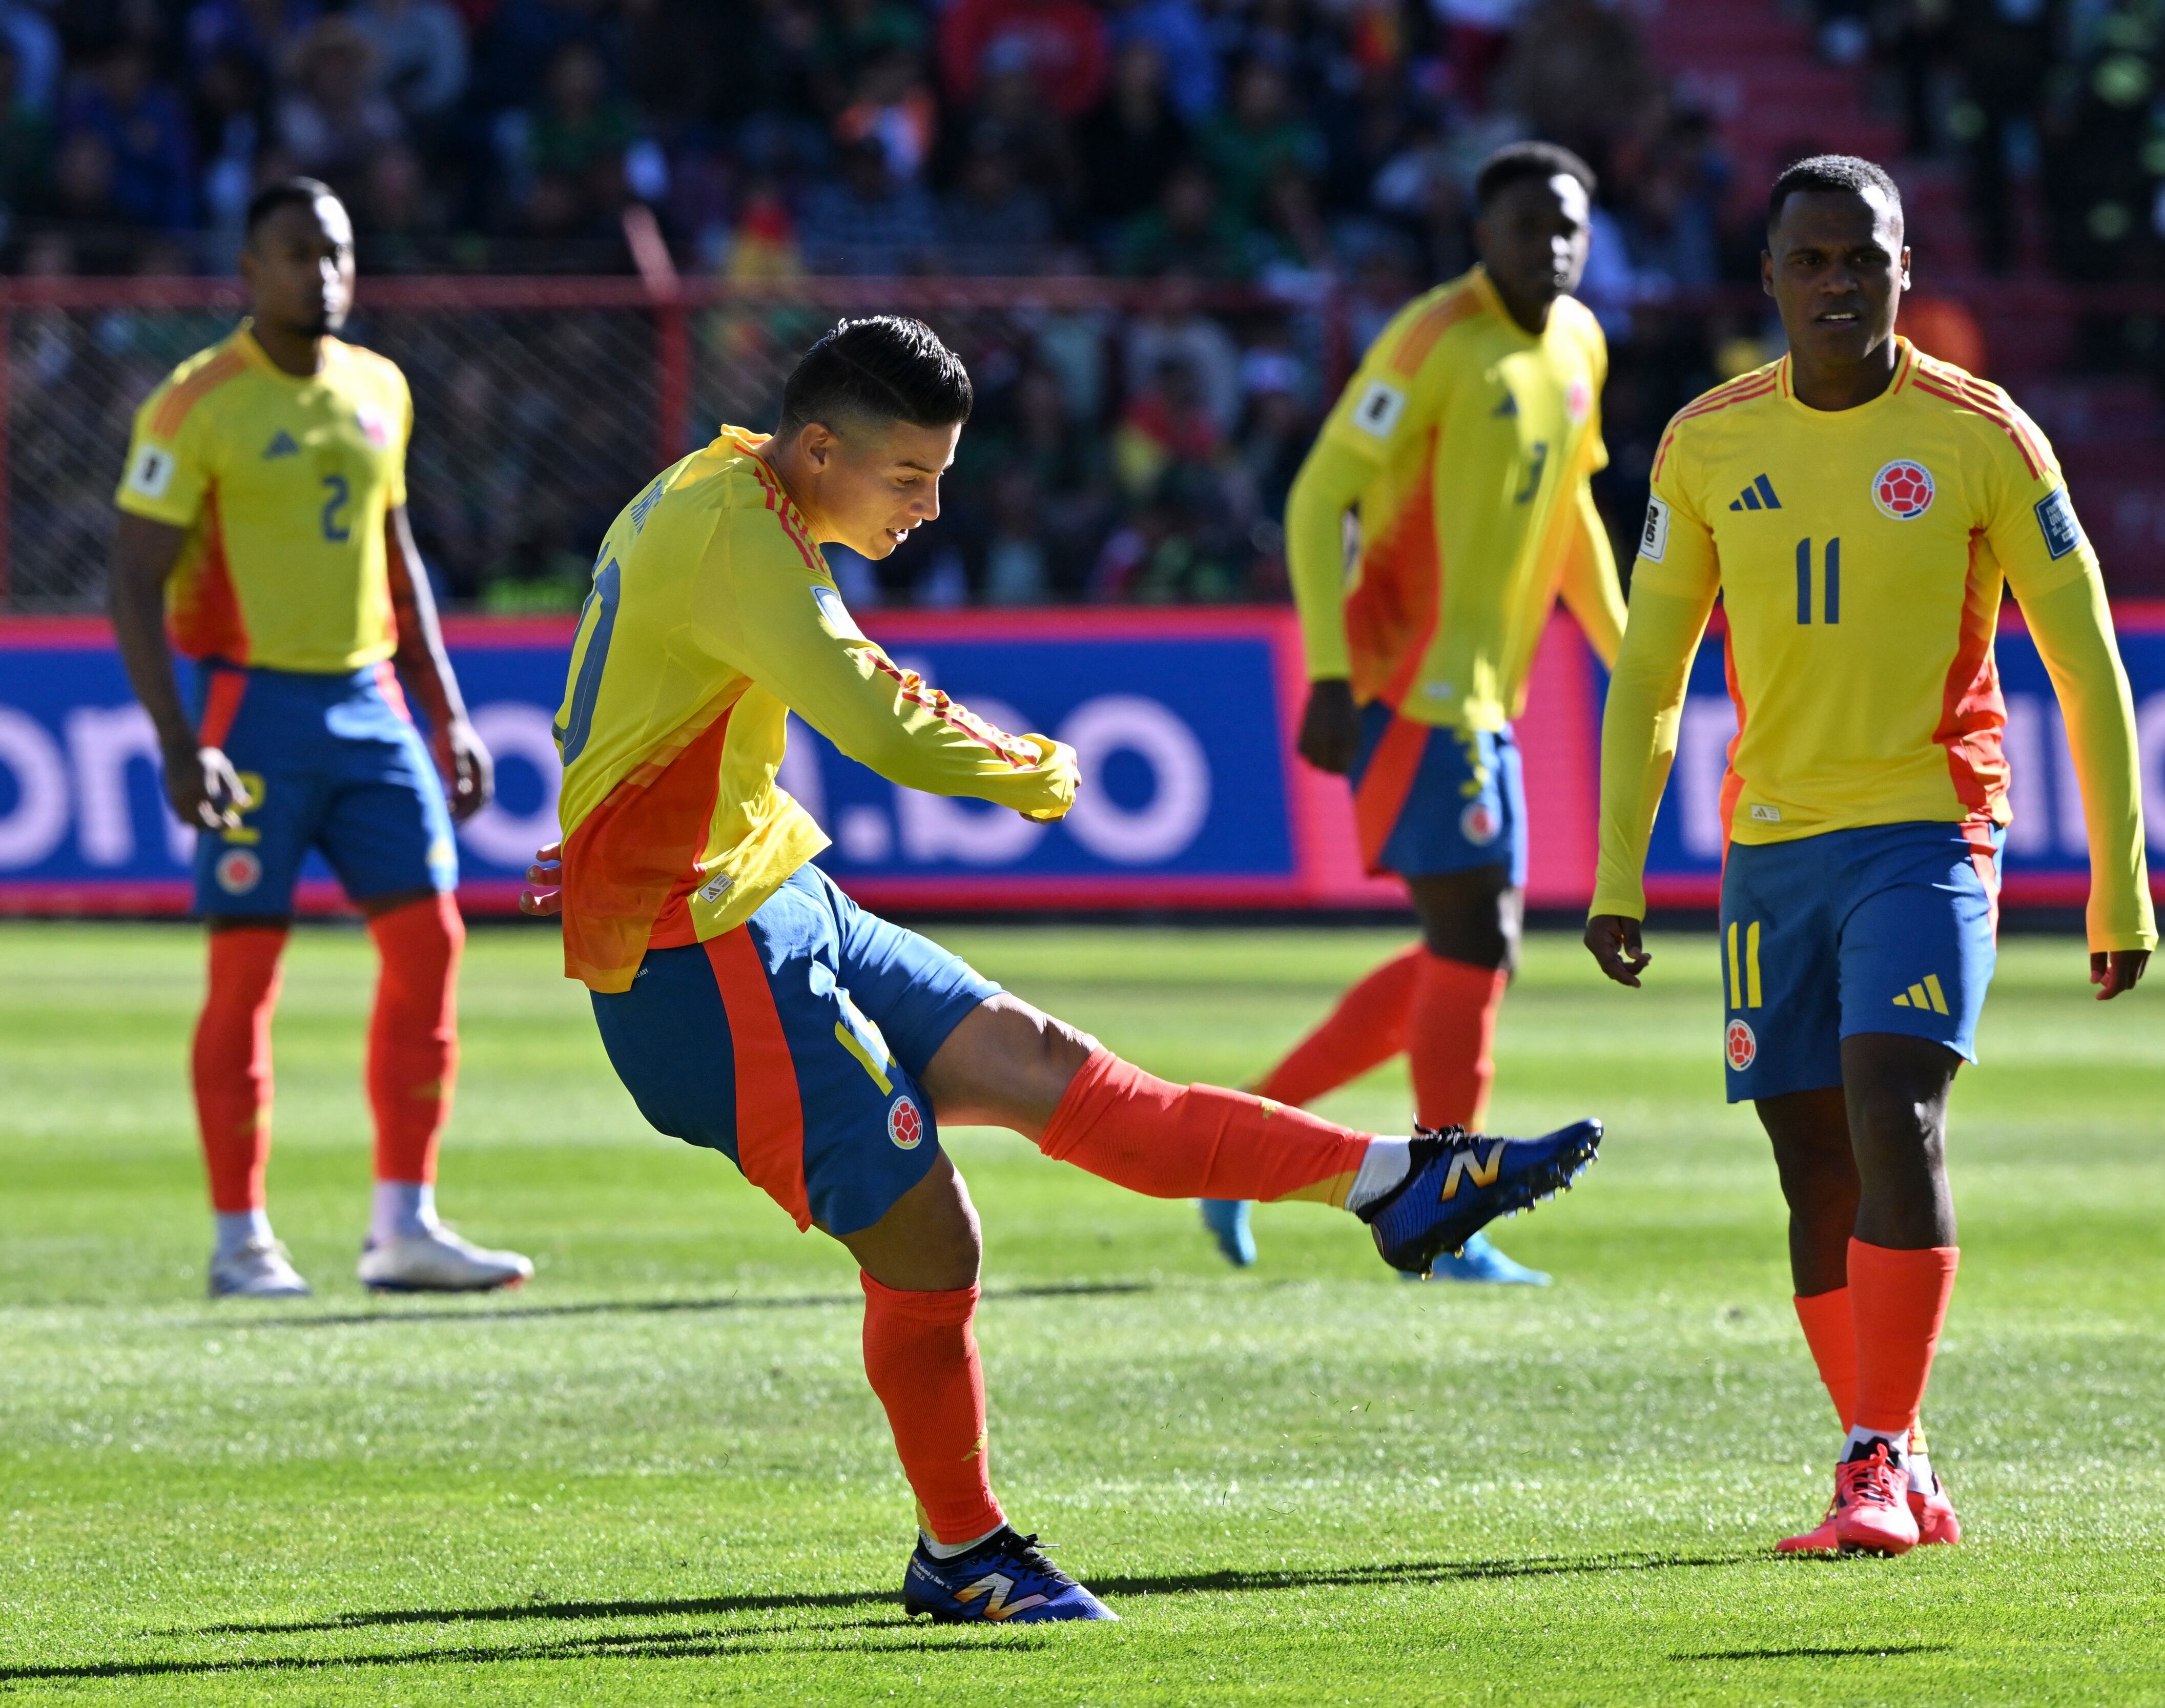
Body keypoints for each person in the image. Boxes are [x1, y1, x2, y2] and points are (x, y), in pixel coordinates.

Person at [516, 314, 1603, 1623]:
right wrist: (1030, 766)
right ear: (818, 449)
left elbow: (622, 685)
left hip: (776, 896)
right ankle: (964, 1551)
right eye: (910, 475)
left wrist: (594, 828)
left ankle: (1399, 1180)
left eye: (941, 474)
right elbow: (870, 715)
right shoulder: (741, 532)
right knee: (932, 1236)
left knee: (1053, 1067)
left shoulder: (724, 486)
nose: (932, 505)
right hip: (707, 961)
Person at [1584, 155, 2156, 1555]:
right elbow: (1651, 666)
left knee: (1893, 1102)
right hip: (1772, 843)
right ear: (1771, 276)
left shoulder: (1983, 434)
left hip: (1930, 821)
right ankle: (1893, 1452)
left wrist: (2119, 875)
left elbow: (2085, 661)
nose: (1843, 282)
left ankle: (1873, 1454)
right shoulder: (1706, 443)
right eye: (1817, 260)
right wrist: (1617, 867)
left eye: (1869, 259)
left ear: (1905, 270)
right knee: (1812, 1168)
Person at [1197, 140, 1625, 1284]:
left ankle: (1242, 1142)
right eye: (1530, 224)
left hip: (1485, 698)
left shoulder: (1579, 343)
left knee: (1468, 955)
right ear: (1479, 236)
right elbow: (1318, 492)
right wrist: (1330, 672)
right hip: (1400, 688)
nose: (1554, 246)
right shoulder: (1434, 342)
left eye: (1571, 225)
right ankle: (1449, 1204)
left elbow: (1571, 502)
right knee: (1476, 940)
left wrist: (1625, 648)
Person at [107, 178, 531, 1300]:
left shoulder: (380, 389)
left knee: (431, 943)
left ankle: (404, 1226)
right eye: (297, 254)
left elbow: (399, 559)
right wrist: (173, 735)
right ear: (248, 272)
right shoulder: (197, 404)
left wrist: (446, 712)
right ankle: (240, 1237)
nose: (322, 274)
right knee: (247, 970)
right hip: (254, 716)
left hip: (371, 706)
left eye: (337, 253)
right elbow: (133, 581)